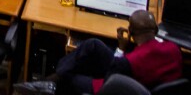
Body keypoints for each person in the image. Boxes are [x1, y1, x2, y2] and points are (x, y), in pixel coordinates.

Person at [50, 10, 182, 94]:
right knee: (93, 44)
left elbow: (110, 84)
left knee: (69, 78)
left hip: (123, 88)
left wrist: (121, 49)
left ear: (130, 32)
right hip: (144, 83)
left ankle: (52, 80)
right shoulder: (174, 49)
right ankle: (57, 74)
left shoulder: (129, 61)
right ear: (156, 31)